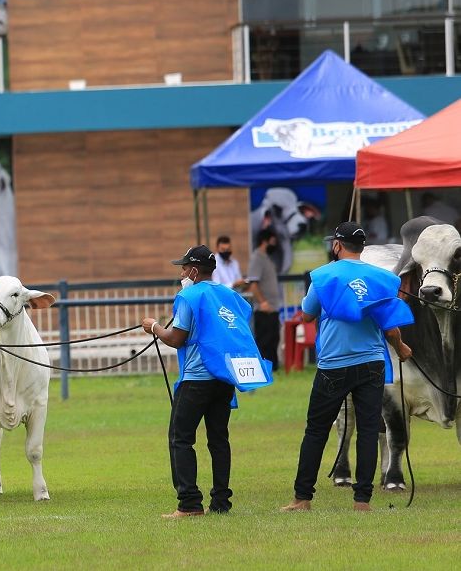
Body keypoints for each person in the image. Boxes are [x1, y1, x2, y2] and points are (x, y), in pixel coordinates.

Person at [280, 222, 413, 513]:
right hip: (371, 363)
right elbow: (389, 325)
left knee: (316, 430)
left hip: (333, 364)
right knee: (368, 429)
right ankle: (361, 501)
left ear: (337, 245)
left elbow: (306, 316)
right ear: (361, 247)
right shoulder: (382, 278)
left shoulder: (323, 277)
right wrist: (402, 349)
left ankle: (302, 498)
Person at [143, 245, 273, 519]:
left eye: (183, 268)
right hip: (223, 378)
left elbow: (176, 338)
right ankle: (221, 502)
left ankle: (189, 503)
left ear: (192, 269)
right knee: (218, 439)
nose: (181, 273)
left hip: (196, 380)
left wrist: (154, 327)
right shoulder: (230, 295)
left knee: (181, 439)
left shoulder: (188, 296)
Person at [245, 228, 281, 368]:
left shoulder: (267, 258)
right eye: (273, 241)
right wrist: (263, 302)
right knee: (265, 341)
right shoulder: (257, 258)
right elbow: (253, 284)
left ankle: (274, 368)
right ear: (265, 241)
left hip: (273, 307)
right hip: (264, 308)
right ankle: (264, 368)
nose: (275, 244)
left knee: (273, 340)